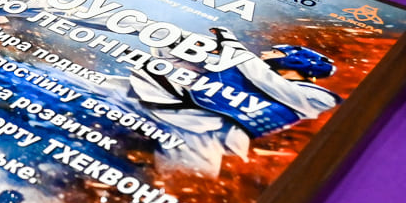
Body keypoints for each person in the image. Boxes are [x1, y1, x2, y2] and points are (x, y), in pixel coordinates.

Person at [112, 27, 341, 177]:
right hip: (166, 110)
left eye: (273, 52)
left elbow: (271, 83)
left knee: (184, 186)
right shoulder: (246, 70)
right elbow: (177, 63)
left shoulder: (320, 97)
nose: (264, 54)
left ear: (297, 61)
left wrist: (233, 47)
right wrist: (181, 42)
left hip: (209, 136)